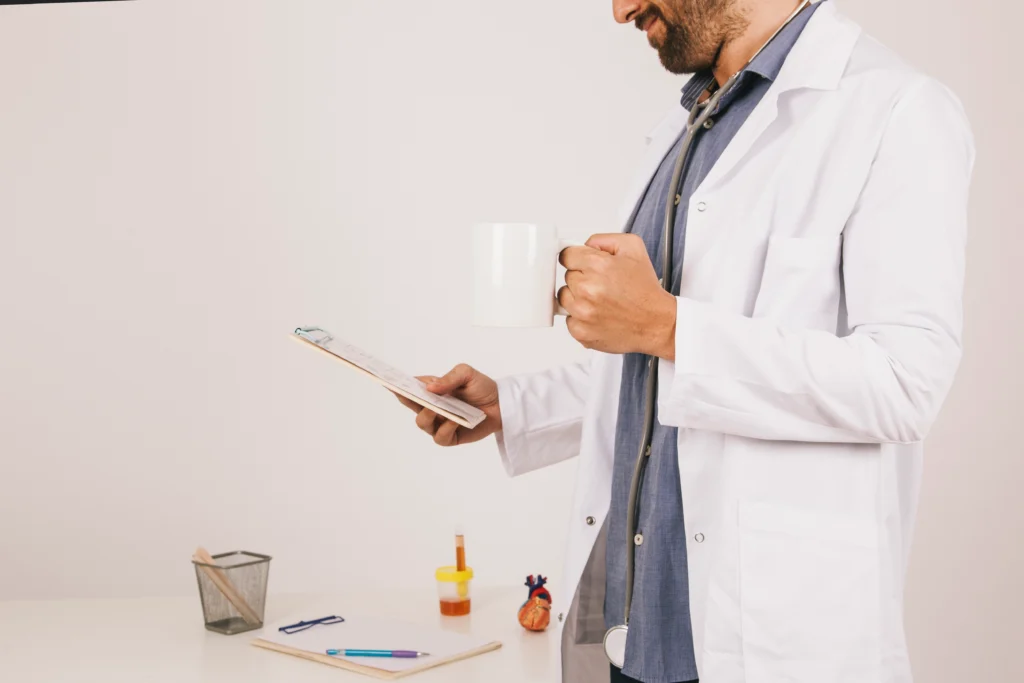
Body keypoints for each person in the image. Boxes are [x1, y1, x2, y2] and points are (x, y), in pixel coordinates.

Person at [395, 1, 975, 681]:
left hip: (772, 642)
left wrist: (668, 325)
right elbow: (657, 371)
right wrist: (513, 407)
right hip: (636, 636)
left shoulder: (896, 109)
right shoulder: (691, 121)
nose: (620, 10)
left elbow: (905, 383)